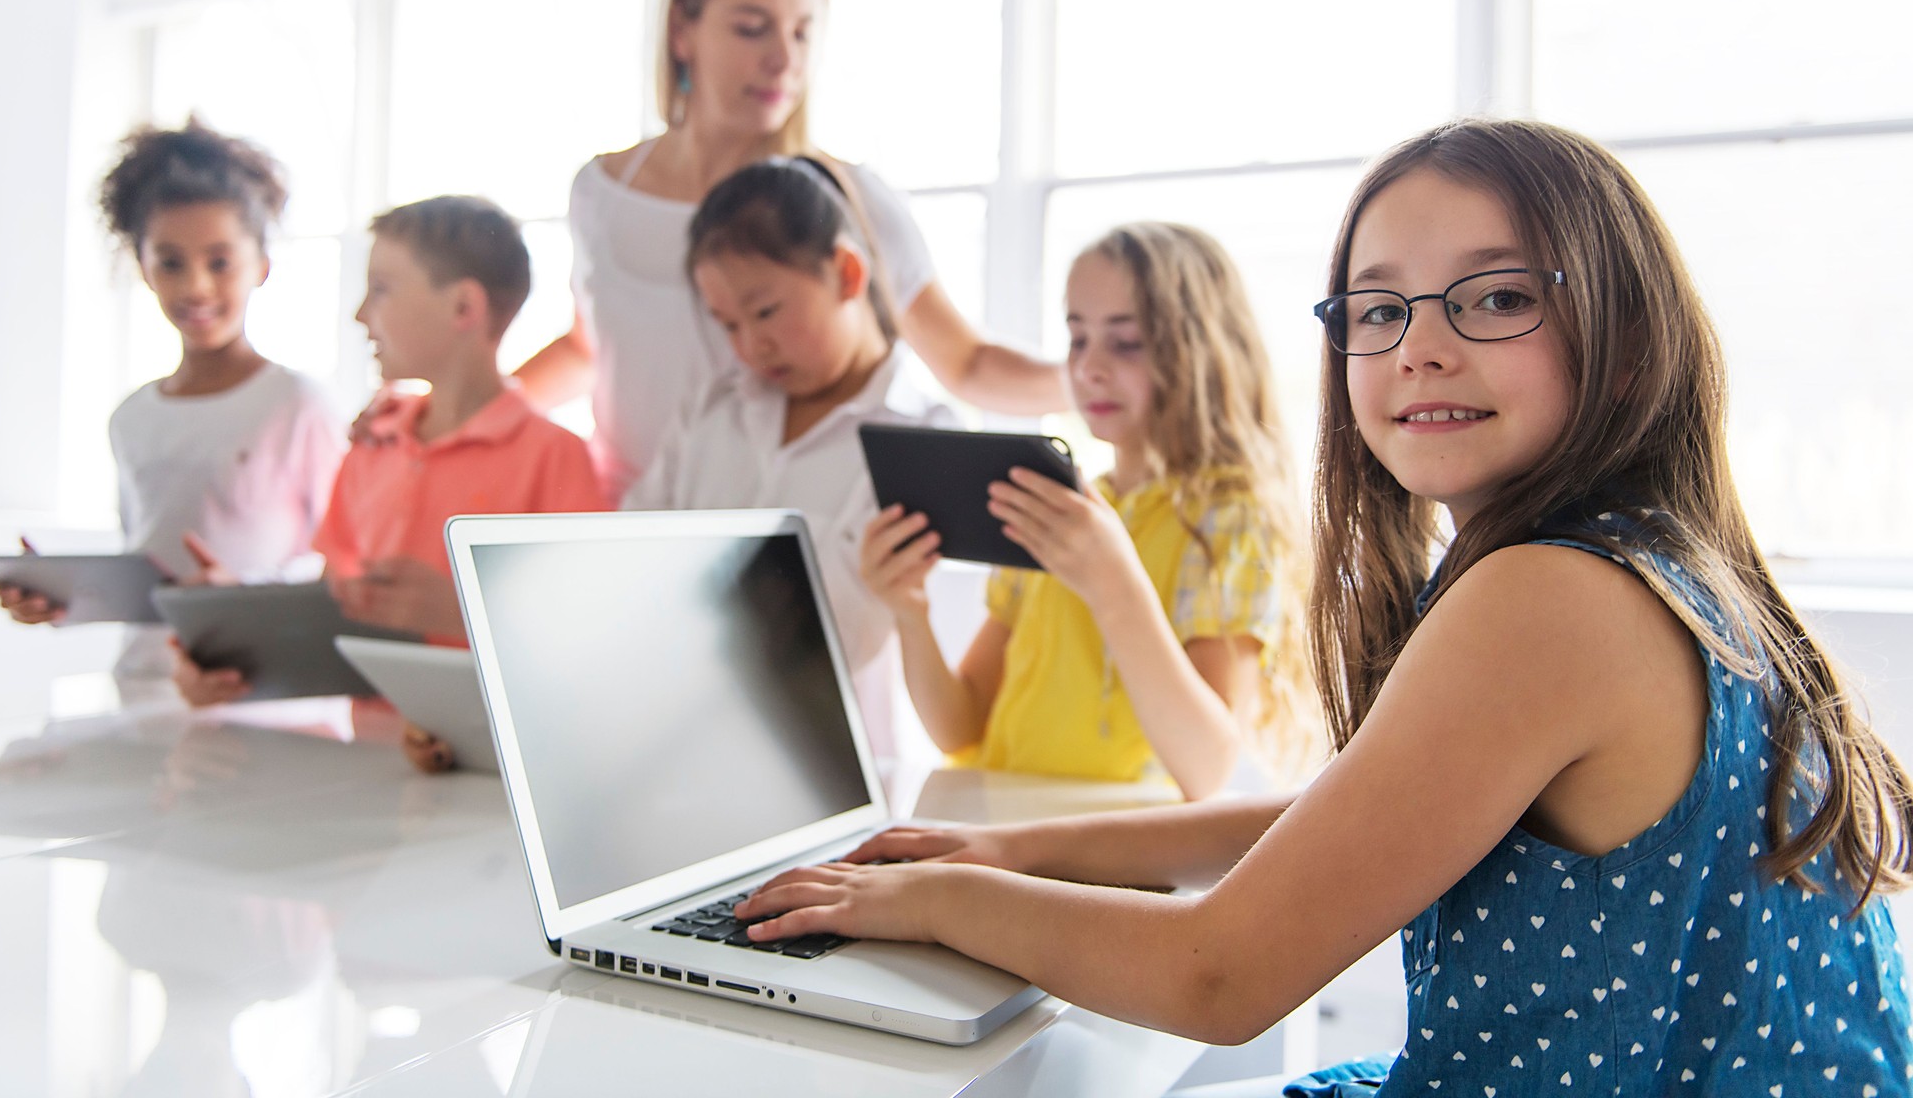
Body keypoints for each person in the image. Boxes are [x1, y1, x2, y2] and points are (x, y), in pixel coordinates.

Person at [735, 119, 1913, 1093]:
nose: (1421, 348)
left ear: (1627, 333)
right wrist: (1015, 847)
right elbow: (1337, 819)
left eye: (1495, 298)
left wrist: (937, 895)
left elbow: (1219, 976)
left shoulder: (1551, 597)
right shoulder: (1651, 560)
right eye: (1378, 308)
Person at [512, 0, 1065, 502]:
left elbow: (966, 364)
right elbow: (588, 348)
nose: (785, 59)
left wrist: (1099, 382)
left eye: (803, 31)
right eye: (753, 28)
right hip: (624, 518)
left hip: (772, 533)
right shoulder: (601, 191)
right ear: (681, 30)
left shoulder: (844, 199)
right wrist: (457, 413)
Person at [858, 223, 1316, 800]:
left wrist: (1111, 583)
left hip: (1115, 846)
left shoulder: (1230, 517)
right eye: (1077, 339)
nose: (1089, 367)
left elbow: (1206, 768)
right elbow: (960, 726)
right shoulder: (1059, 508)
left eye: (1126, 343)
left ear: (1201, 349)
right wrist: (910, 611)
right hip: (1003, 824)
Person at [174, 195, 607, 719]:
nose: (359, 315)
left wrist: (462, 614)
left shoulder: (556, 458)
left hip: (491, 772)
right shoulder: (372, 447)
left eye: (380, 290)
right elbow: (334, 604)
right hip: (372, 764)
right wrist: (240, 624)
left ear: (464, 308)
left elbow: (591, 639)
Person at [622, 157, 957, 769]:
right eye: (728, 324)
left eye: (767, 311)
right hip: (665, 737)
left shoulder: (923, 442)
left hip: (815, 759)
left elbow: (849, 634)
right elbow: (629, 550)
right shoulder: (714, 410)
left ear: (847, 273)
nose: (752, 346)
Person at [0, 120, 341, 627]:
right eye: (171, 262)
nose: (196, 287)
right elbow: (147, 571)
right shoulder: (131, 417)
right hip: (145, 684)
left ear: (261, 265)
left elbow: (342, 567)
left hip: (267, 692)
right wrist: (65, 597)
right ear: (143, 267)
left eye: (219, 262)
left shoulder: (298, 405)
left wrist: (239, 594)